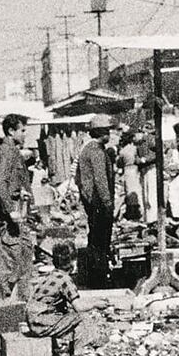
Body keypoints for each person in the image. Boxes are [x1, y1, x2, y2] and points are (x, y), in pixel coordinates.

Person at [25, 242, 95, 356]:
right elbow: (79, 307)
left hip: (34, 319)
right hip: (41, 322)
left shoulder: (52, 275)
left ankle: (62, 355)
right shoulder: (65, 279)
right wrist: (97, 303)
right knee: (83, 319)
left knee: (69, 317)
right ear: (73, 263)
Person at [0, 113, 34, 302]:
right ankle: (0, 308)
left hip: (18, 211)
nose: (25, 134)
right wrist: (10, 210)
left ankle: (24, 306)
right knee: (10, 261)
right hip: (10, 216)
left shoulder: (12, 151)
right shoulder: (6, 152)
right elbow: (0, 182)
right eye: (22, 131)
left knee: (24, 259)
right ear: (11, 131)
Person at [76, 115, 116, 288]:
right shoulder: (97, 151)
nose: (109, 134)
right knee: (100, 242)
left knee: (95, 240)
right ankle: (99, 278)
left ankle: (96, 276)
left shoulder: (89, 149)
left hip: (92, 202)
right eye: (107, 130)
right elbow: (100, 180)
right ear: (101, 132)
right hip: (99, 202)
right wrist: (107, 203)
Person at [137, 123, 159, 224]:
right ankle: (147, 218)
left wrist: (145, 159)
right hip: (144, 169)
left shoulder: (151, 138)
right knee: (145, 195)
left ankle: (153, 219)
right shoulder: (141, 142)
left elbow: (157, 153)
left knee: (151, 195)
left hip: (151, 168)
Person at [118, 128, 142, 221]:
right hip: (135, 169)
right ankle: (136, 211)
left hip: (127, 170)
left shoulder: (122, 151)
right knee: (136, 189)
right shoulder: (135, 149)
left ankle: (131, 211)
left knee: (129, 190)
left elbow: (119, 164)